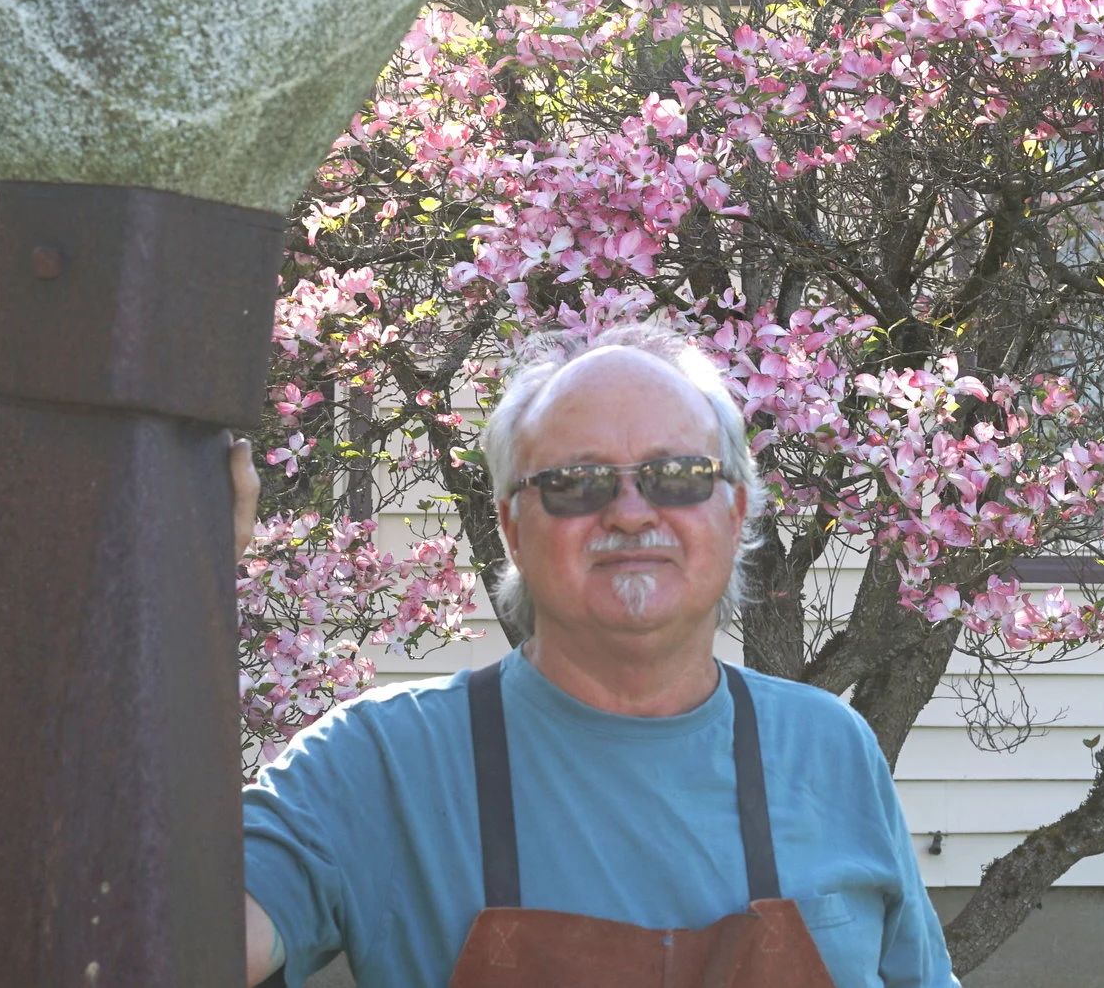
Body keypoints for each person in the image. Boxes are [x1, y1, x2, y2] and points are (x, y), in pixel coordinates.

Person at [231, 322, 960, 987]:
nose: (631, 513)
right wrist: (175, 576)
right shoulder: (380, 762)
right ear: (513, 528)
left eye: (678, 475)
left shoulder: (831, 749)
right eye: (576, 483)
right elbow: (179, 942)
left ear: (736, 513)